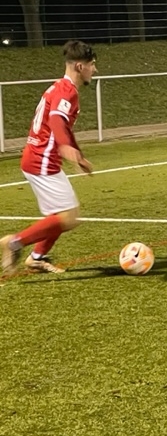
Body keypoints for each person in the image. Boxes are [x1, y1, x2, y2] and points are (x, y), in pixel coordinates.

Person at [0, 40, 96, 276]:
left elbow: (64, 126)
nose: (94, 69)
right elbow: (56, 119)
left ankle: (36, 258)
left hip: (37, 157)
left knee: (60, 215)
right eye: (92, 64)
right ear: (80, 66)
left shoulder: (60, 88)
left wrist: (78, 154)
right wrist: (64, 146)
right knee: (69, 217)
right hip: (41, 159)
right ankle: (14, 243)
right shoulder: (67, 91)